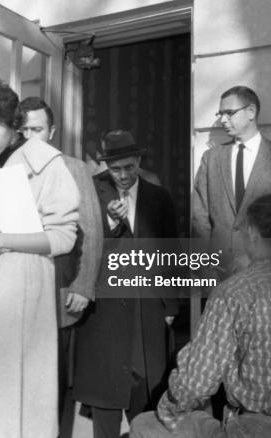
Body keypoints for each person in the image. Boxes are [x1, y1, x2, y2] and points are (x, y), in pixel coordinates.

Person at [130, 193, 271, 438]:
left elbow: (195, 381)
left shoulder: (235, 293)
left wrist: (168, 410)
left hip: (255, 431)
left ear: (252, 235)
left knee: (144, 425)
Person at [0, 76, 80, 438]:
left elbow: (64, 236)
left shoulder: (48, 164)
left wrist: (3, 240)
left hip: (25, 288)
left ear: (13, 123)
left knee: (20, 396)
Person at [73, 129, 179, 438]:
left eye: (129, 168)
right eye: (115, 169)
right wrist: (108, 224)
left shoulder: (159, 198)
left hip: (147, 308)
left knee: (146, 390)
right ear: (106, 165)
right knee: (106, 393)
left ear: (139, 161)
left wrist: (170, 305)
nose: (122, 175)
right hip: (104, 312)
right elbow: (79, 246)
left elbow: (171, 252)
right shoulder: (90, 193)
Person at [17, 96, 104, 429]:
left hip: (57, 291)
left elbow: (92, 232)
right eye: (23, 129)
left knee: (53, 382)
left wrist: (83, 285)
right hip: (17, 292)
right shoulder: (9, 169)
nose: (29, 137)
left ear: (51, 131)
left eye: (36, 129)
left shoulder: (72, 167)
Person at [192, 86, 271, 274]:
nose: (223, 120)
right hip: (217, 276)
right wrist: (203, 265)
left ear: (251, 112)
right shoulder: (211, 158)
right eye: (221, 113)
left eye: (229, 113)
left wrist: (267, 258)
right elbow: (199, 218)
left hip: (269, 276)